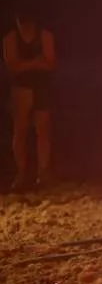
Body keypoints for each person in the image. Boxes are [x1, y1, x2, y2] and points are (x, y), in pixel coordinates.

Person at [3, 10, 56, 190]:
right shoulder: (11, 38)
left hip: (41, 86)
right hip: (21, 88)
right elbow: (11, 67)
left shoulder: (44, 35)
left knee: (43, 130)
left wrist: (23, 64)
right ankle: (22, 172)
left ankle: (43, 171)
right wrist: (35, 62)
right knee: (21, 130)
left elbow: (50, 64)